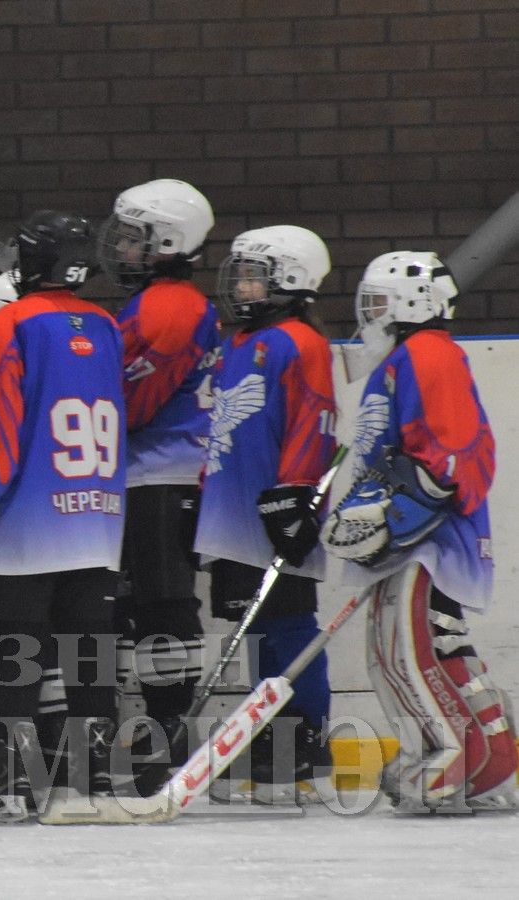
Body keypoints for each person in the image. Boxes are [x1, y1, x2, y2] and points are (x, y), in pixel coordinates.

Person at [322, 251, 517, 812]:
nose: (372, 314)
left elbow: (450, 460)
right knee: (439, 643)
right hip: (422, 539)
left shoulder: (427, 353)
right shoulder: (411, 356)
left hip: (430, 542)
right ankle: (492, 760)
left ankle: (449, 758)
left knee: (402, 650)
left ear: (415, 303)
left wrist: (391, 522)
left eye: (380, 302)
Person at [0, 211, 127, 822]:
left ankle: (13, 785)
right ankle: (93, 782)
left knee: (18, 655)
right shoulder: (105, 325)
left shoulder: (10, 324)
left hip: (28, 523)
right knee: (90, 656)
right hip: (100, 519)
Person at [194, 225, 336, 804]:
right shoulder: (238, 342)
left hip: (277, 509)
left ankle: (306, 746)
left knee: (288, 625)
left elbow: (314, 421)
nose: (243, 285)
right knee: (253, 630)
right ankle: (268, 736)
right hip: (234, 511)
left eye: (255, 274)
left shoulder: (299, 342)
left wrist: (295, 497)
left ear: (291, 279)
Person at [95, 179, 219, 795]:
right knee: (147, 604)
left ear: (168, 242)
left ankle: (169, 733)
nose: (121, 246)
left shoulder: (169, 307)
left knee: (163, 605)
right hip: (153, 477)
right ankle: (157, 732)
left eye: (133, 236)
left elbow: (129, 402)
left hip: (160, 477)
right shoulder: (160, 300)